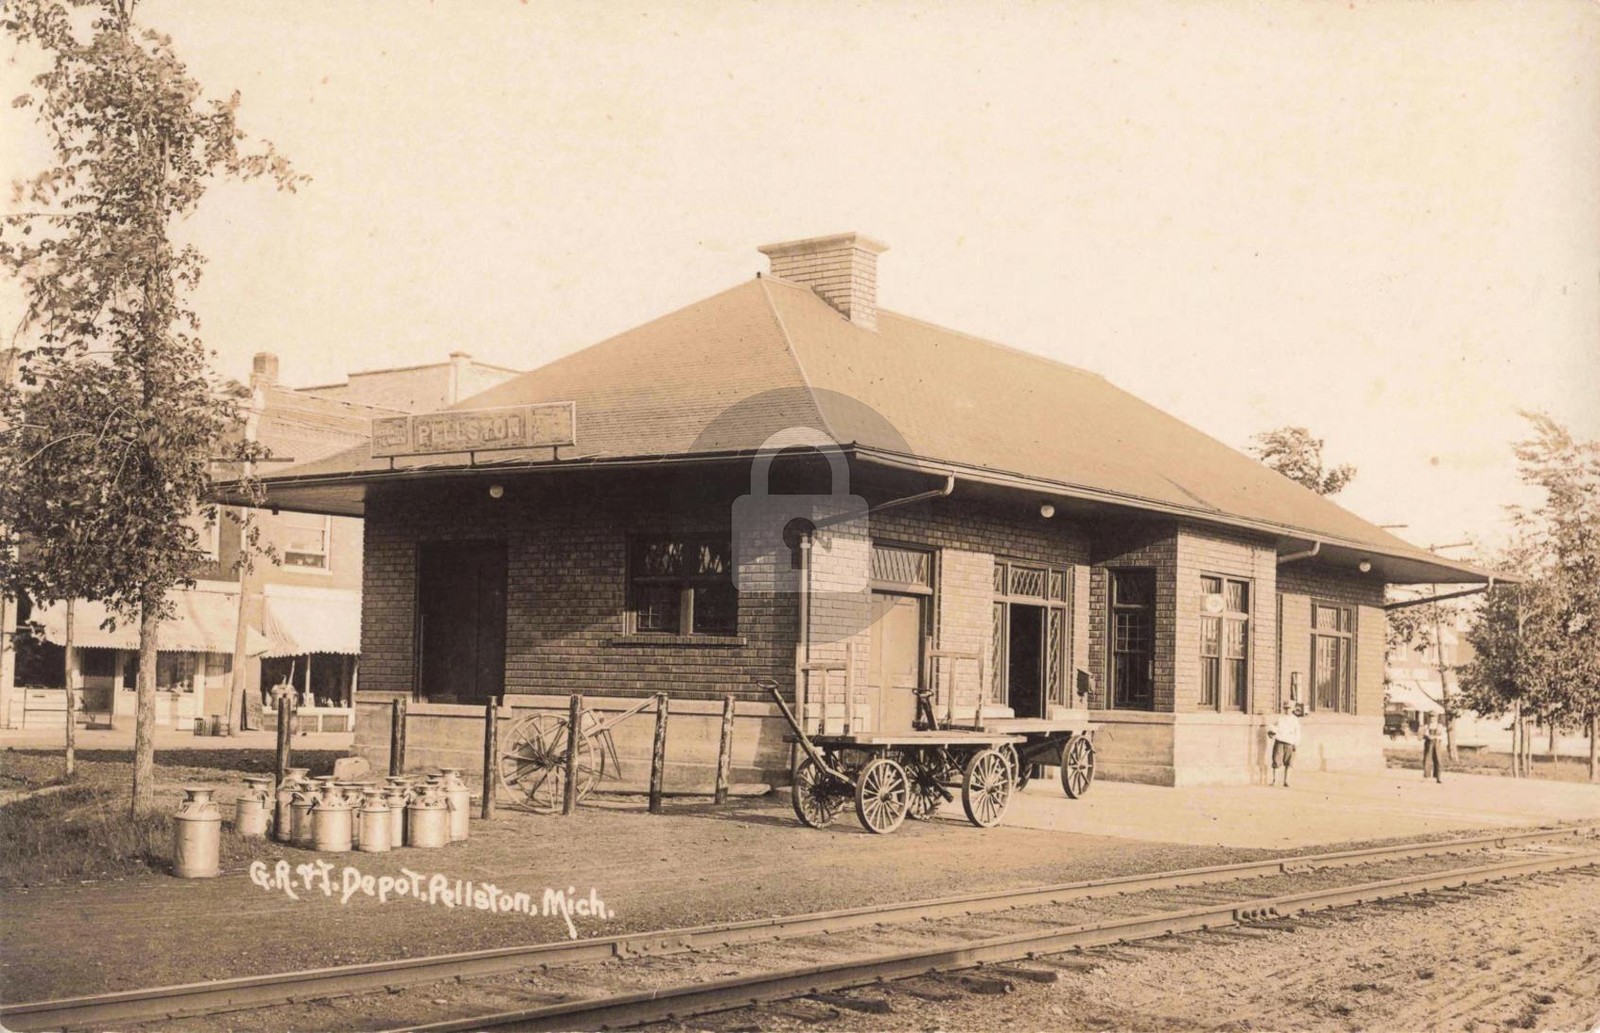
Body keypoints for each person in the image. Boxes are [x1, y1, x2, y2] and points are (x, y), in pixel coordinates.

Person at [1267, 699, 1302, 787]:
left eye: (1289, 708)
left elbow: (1297, 732)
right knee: (1276, 761)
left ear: (1292, 709)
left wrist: (1296, 744)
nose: (1287, 710)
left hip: (1290, 742)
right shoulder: (1280, 718)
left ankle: (1286, 781)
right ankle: (1275, 781)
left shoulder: (1295, 720)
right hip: (1280, 741)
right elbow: (1273, 727)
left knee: (1289, 762)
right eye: (1285, 708)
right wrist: (1271, 732)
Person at [1421, 712, 1444, 783]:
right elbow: (1425, 734)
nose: (1432, 719)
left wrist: (1435, 737)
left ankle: (1438, 777)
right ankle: (1426, 776)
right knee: (1427, 759)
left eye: (1433, 717)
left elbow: (1442, 736)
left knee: (1438, 760)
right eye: (1431, 717)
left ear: (1436, 718)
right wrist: (1428, 736)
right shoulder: (1427, 726)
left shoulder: (1439, 726)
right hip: (1429, 743)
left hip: (1437, 744)